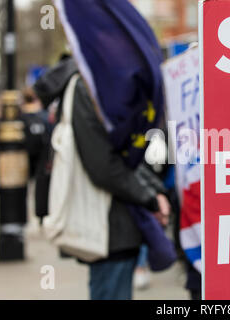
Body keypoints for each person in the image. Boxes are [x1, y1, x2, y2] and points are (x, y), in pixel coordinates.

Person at [34, 57, 171, 300]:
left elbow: (121, 155)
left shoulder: (94, 84)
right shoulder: (87, 86)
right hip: (109, 228)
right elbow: (106, 165)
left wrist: (154, 193)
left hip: (112, 228)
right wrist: (151, 197)